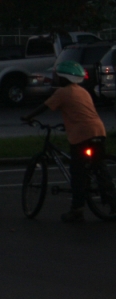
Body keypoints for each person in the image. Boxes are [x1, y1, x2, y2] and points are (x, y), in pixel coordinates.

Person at [23, 61, 109, 222]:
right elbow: (79, 112)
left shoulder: (62, 92)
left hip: (81, 135)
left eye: (57, 76)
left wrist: (28, 117)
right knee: (99, 166)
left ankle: (77, 210)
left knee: (77, 172)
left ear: (63, 78)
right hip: (98, 131)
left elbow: (44, 106)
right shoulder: (83, 91)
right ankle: (111, 201)